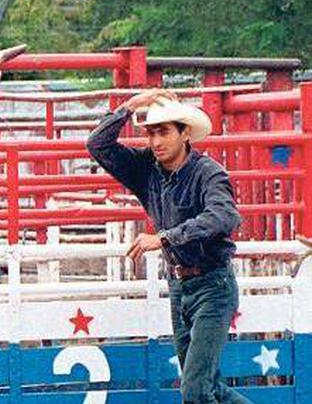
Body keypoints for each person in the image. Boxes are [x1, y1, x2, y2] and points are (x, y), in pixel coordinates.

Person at [87, 89, 252, 404]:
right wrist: (131, 105)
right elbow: (97, 145)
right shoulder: (146, 168)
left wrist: (164, 237)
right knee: (206, 387)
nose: (155, 141)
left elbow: (223, 217)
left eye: (163, 132)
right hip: (180, 285)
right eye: (150, 133)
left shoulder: (208, 173)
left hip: (213, 286)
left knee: (195, 390)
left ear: (185, 133)